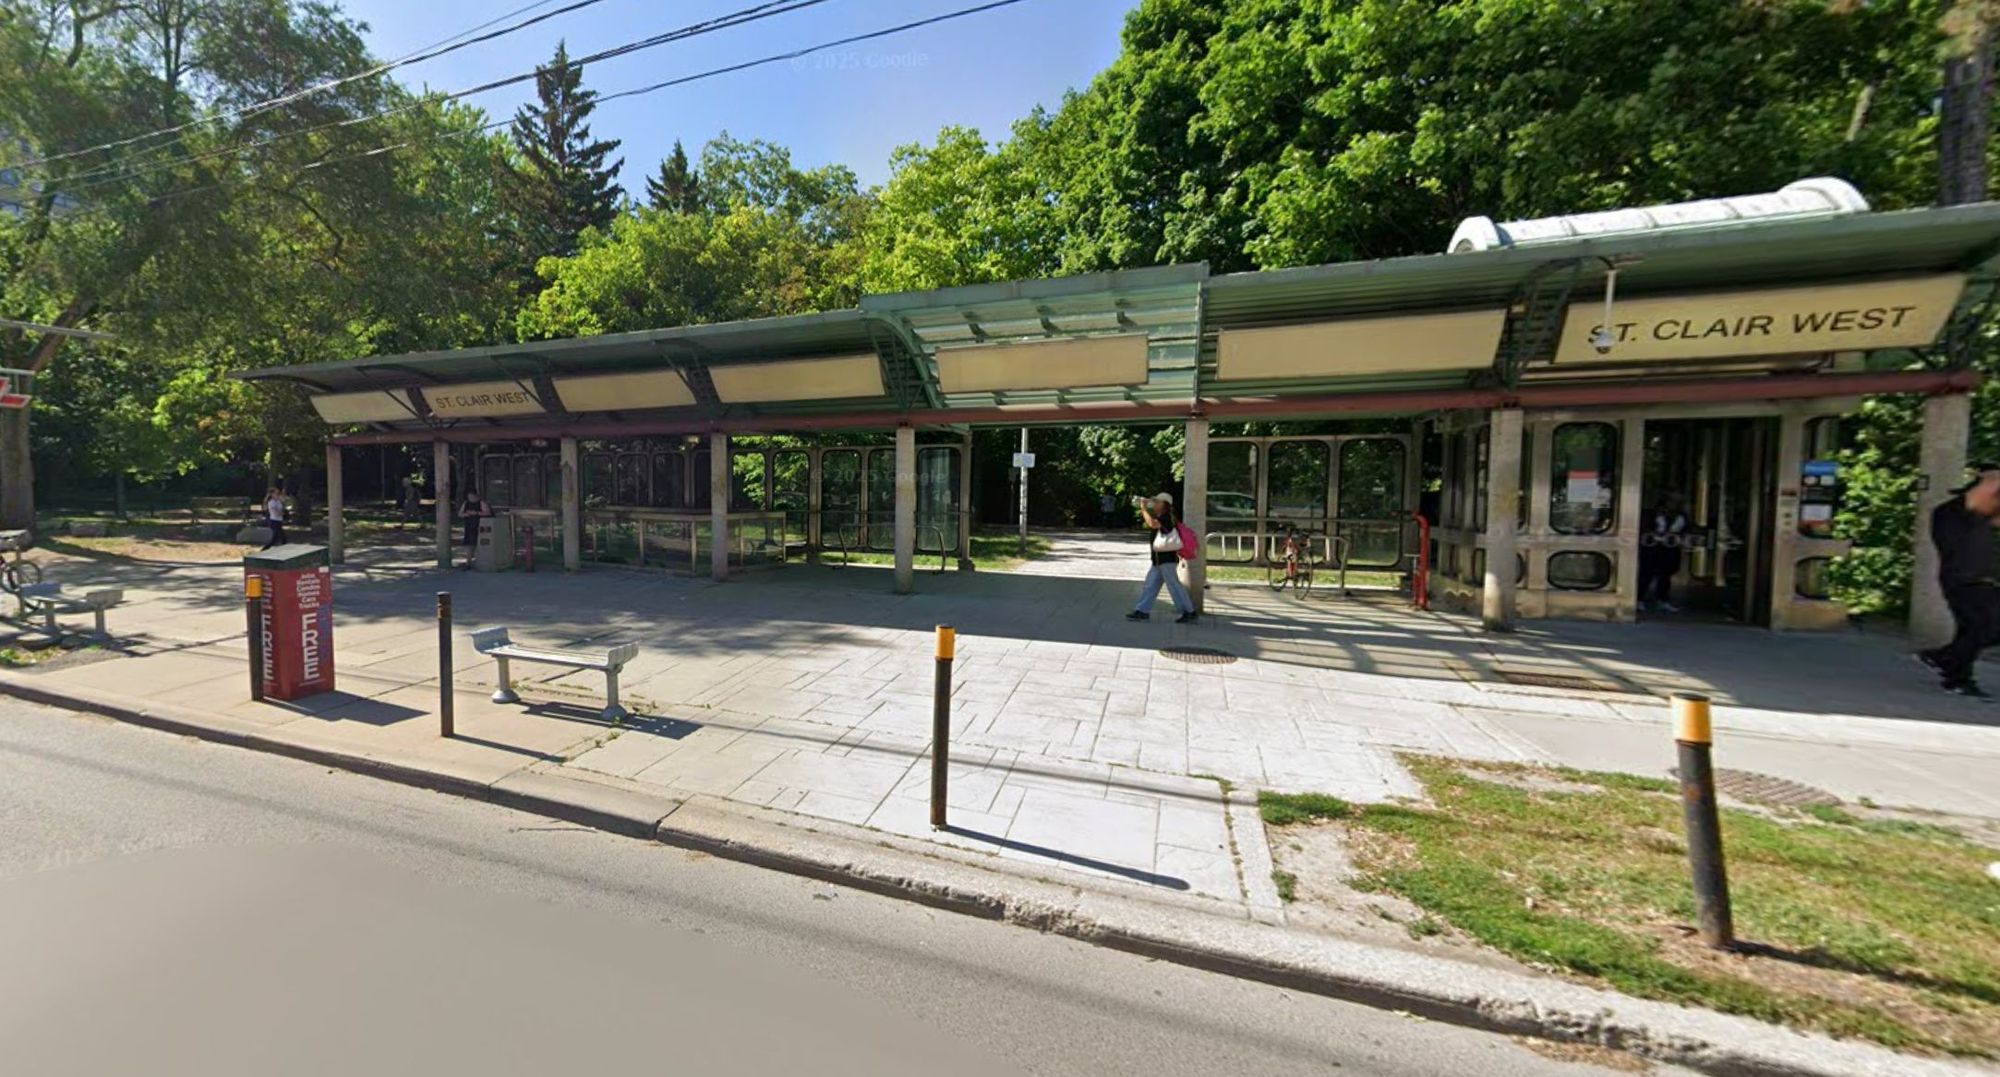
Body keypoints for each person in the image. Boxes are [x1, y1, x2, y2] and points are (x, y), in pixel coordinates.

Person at [1919, 467, 2000, 697]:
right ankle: (1955, 676)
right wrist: (1991, 476)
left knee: (1978, 631)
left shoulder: (1979, 518)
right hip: (1964, 581)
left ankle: (1945, 658)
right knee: (1977, 628)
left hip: (1985, 582)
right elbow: (1989, 487)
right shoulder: (1956, 513)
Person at [1126, 492, 1196, 624]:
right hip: (1159, 559)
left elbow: (1152, 524)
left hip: (1166, 559)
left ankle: (1189, 611)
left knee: (1174, 585)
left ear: (1165, 504)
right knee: (1150, 585)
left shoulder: (1166, 517)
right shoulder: (1163, 516)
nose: (1154, 503)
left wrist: (1143, 509)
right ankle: (1142, 611)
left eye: (1157, 501)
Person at [1638, 493, 1690, 613]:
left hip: (1670, 548)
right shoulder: (1654, 514)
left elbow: (1685, 530)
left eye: (1678, 502)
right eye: (1672, 501)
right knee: (1646, 575)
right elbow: (1645, 529)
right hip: (1652, 548)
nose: (1675, 505)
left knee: (1665, 576)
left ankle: (1662, 600)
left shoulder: (1682, 516)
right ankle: (1639, 599)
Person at [458, 489, 491, 570]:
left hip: (480, 525)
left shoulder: (481, 503)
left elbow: (488, 513)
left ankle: (479, 561)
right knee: (469, 545)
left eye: (472, 496)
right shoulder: (466, 503)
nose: (471, 498)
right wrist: (466, 514)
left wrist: (476, 513)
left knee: (478, 543)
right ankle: (468, 562)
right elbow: (460, 514)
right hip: (469, 525)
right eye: (469, 496)